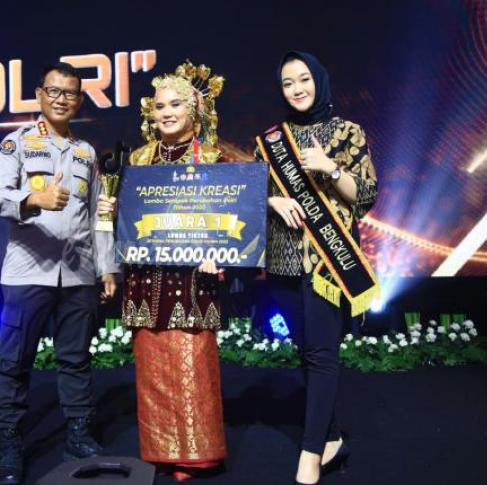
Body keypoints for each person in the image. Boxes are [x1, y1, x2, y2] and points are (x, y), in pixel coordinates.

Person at [0, 62, 120, 485]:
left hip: (78, 274)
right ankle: (10, 442)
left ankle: (78, 434)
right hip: (28, 273)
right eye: (54, 91)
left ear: (79, 100)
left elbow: (99, 217)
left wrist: (108, 267)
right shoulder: (16, 143)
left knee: (76, 359)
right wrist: (34, 199)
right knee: (15, 362)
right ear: (40, 95)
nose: (62, 99)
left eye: (71, 93)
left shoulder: (86, 153)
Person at [256, 51, 378, 484]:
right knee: (306, 352)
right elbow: (252, 194)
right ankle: (331, 439)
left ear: (319, 81)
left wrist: (331, 168)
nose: (297, 89)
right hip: (284, 259)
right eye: (288, 83)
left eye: (304, 79)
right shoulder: (272, 140)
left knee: (323, 354)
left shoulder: (347, 132)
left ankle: (309, 456)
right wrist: (273, 200)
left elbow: (366, 196)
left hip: (328, 262)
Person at [117, 61, 227, 481]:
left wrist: (219, 249)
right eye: (159, 105)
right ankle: (160, 450)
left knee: (192, 363)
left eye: (175, 104)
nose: (166, 112)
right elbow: (129, 219)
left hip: (193, 277)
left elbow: (230, 215)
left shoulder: (213, 157)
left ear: (193, 109)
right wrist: (111, 210)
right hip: (146, 277)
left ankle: (197, 454)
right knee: (152, 368)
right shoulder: (138, 159)